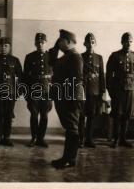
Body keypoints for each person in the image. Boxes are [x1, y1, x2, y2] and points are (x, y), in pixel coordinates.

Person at [48, 29, 85, 169]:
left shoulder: (75, 57)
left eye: (61, 40)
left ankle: (69, 159)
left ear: (68, 42)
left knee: (72, 128)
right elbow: (51, 61)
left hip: (70, 99)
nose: (59, 42)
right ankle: (68, 158)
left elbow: (77, 81)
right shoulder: (66, 56)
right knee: (70, 128)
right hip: (63, 98)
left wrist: (73, 100)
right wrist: (56, 47)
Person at [106, 32, 134, 148]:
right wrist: (110, 90)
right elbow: (109, 75)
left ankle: (123, 139)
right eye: (126, 41)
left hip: (131, 89)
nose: (128, 44)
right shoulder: (115, 56)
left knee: (127, 114)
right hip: (118, 89)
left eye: (130, 41)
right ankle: (115, 139)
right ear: (122, 42)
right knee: (117, 114)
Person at [0, 37, 23, 147]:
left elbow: (21, 78)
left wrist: (17, 93)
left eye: (6, 46)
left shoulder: (15, 60)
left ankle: (6, 138)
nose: (3, 48)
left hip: (10, 93)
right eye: (2, 46)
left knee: (8, 116)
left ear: (9, 47)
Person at [23, 33, 53, 148]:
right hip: (33, 90)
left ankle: (41, 138)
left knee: (44, 116)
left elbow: (55, 77)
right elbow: (25, 77)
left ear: (46, 43)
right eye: (38, 42)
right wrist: (26, 93)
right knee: (34, 115)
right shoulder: (30, 57)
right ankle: (34, 138)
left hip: (47, 91)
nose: (40, 44)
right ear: (35, 43)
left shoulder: (51, 56)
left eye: (42, 42)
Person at [78, 33, 105, 148]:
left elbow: (101, 77)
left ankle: (89, 139)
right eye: (88, 42)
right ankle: (80, 139)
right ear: (85, 43)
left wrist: (102, 92)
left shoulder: (99, 58)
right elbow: (77, 74)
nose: (90, 45)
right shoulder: (80, 57)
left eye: (92, 42)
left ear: (95, 44)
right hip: (83, 91)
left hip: (95, 91)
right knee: (81, 116)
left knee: (92, 116)